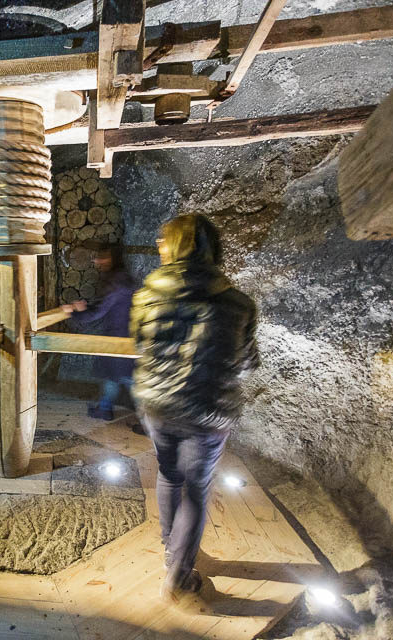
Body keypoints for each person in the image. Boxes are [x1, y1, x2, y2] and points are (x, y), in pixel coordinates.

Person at [129, 215, 259, 607]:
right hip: (208, 410)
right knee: (195, 488)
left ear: (174, 247)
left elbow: (141, 344)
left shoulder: (147, 295)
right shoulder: (238, 304)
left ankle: (175, 551)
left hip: (157, 404)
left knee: (169, 475)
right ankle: (178, 576)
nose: (157, 244)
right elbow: (247, 362)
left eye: (162, 240)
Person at [62, 242, 137, 423]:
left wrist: (74, 312)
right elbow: (105, 305)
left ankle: (150, 420)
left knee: (128, 379)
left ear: (113, 259)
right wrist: (85, 307)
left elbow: (99, 311)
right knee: (116, 377)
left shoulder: (116, 282)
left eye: (102, 257)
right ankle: (105, 408)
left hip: (118, 338)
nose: (97, 261)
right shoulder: (124, 278)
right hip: (126, 335)